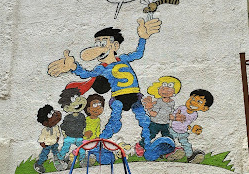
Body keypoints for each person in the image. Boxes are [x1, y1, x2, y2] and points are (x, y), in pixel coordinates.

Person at [48, 18, 175, 159]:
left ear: (114, 46)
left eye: (102, 43)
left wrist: (143, 38)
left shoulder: (123, 59)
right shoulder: (102, 67)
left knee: (144, 121)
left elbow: (138, 53)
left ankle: (149, 147)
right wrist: (73, 67)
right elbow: (87, 74)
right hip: (118, 98)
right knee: (114, 123)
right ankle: (98, 146)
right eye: (97, 44)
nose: (98, 48)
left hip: (134, 96)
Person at [169, 89, 214, 162]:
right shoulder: (181, 108)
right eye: (192, 98)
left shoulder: (194, 115)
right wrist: (175, 116)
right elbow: (171, 116)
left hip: (183, 132)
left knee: (186, 144)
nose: (193, 102)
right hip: (172, 130)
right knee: (170, 141)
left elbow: (186, 123)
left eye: (199, 102)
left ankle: (190, 157)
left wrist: (193, 129)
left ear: (204, 108)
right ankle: (170, 153)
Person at [34, 105, 62, 173]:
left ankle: (57, 163)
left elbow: (58, 133)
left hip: (54, 143)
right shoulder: (45, 130)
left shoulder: (56, 127)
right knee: (44, 154)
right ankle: (39, 164)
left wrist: (57, 138)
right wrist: (42, 142)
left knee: (56, 153)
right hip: (47, 144)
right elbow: (42, 137)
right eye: (51, 114)